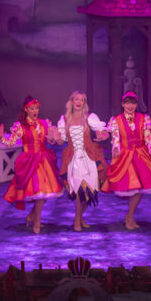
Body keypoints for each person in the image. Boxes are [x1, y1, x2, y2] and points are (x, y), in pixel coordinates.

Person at [101, 90, 151, 230]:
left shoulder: (143, 118)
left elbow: (147, 135)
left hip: (140, 155)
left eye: (133, 103)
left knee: (141, 187)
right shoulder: (116, 121)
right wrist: (115, 149)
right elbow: (116, 138)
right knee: (133, 187)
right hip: (126, 157)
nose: (130, 106)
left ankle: (130, 216)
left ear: (136, 105)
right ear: (123, 104)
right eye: (128, 103)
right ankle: (129, 216)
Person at [1, 96, 63, 233]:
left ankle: (32, 216)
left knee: (44, 194)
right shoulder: (21, 126)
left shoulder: (44, 123)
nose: (35, 111)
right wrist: (1, 137)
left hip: (44, 161)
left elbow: (51, 141)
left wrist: (54, 138)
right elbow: (10, 142)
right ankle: (37, 222)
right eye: (32, 108)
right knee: (39, 194)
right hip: (30, 161)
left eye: (37, 108)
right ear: (26, 110)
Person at [56, 90, 108, 232]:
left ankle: (79, 217)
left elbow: (102, 132)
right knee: (79, 189)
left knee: (90, 190)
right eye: (77, 99)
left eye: (82, 100)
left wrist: (103, 136)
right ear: (71, 101)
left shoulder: (90, 117)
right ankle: (77, 220)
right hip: (74, 159)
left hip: (89, 156)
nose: (79, 102)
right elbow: (61, 141)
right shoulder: (64, 120)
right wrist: (55, 138)